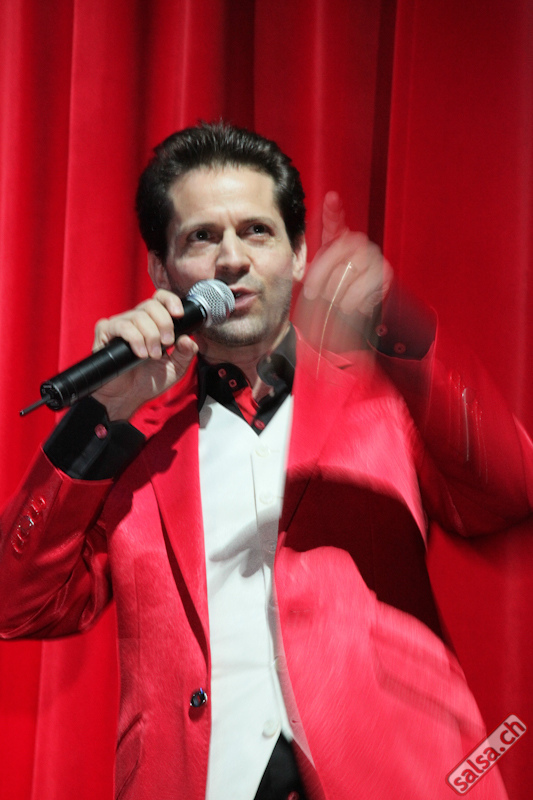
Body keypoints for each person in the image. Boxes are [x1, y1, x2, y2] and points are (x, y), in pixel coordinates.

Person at [0, 122, 531, 800]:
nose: (232, 259)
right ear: (161, 271)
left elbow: (508, 493)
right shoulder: (130, 444)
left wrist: (401, 325)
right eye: (201, 237)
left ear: (299, 253)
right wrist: (98, 416)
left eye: (256, 231)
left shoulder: (386, 395)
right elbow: (18, 608)